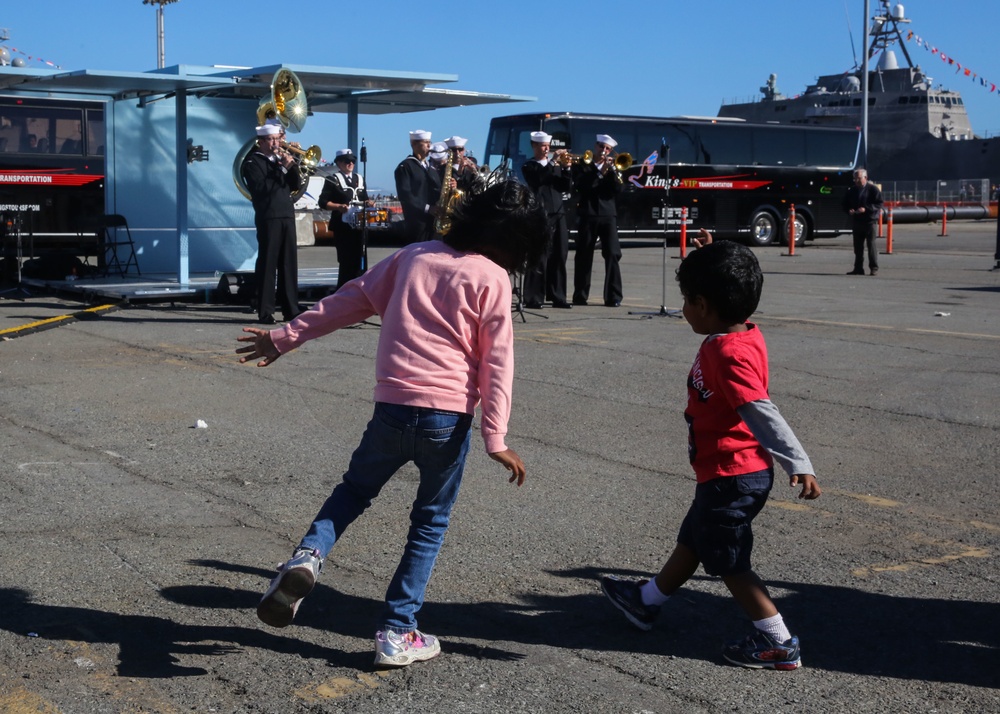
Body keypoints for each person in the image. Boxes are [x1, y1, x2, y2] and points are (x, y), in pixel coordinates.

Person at [237, 180, 548, 668]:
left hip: (392, 407)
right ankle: (398, 632)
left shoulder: (414, 257)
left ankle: (307, 556)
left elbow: (350, 299)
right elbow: (498, 361)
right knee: (429, 522)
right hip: (447, 420)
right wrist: (496, 436)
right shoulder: (493, 278)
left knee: (354, 491)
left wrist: (285, 337)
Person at [601, 230, 822, 671]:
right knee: (694, 538)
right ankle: (646, 600)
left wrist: (797, 460)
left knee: (730, 562)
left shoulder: (729, 354)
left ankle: (777, 641)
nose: (683, 309)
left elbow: (761, 411)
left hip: (734, 474)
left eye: (687, 301)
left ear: (704, 306)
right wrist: (706, 255)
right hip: (722, 472)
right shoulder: (738, 332)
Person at [241, 122, 303, 324]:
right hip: (269, 216)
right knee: (268, 264)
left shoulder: (279, 161)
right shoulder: (252, 162)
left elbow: (296, 184)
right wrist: (281, 170)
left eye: (278, 138)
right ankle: (265, 310)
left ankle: (291, 309)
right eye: (271, 139)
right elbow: (261, 188)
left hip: (286, 214)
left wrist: (292, 165)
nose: (276, 143)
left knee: (288, 263)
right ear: (261, 142)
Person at [521, 131, 573, 309]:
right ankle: (533, 297)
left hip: (558, 212)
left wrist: (566, 169)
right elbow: (539, 179)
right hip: (541, 213)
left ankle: (558, 295)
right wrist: (552, 162)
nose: (546, 149)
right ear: (534, 146)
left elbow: (564, 186)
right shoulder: (530, 165)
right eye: (543, 146)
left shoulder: (554, 165)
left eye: (548, 146)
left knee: (560, 254)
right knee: (539, 255)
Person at [572, 133, 623, 307]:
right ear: (596, 146)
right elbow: (582, 187)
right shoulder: (583, 165)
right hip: (588, 214)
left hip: (608, 214)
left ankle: (613, 296)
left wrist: (613, 172)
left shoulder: (612, 167)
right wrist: (600, 173)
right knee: (584, 255)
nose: (604, 150)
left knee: (613, 254)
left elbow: (617, 189)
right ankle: (580, 295)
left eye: (607, 149)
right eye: (601, 146)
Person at [318, 148, 373, 291]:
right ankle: (344, 291)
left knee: (361, 258)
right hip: (343, 226)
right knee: (346, 261)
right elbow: (323, 202)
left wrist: (368, 203)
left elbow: (364, 198)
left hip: (359, 226)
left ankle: (360, 290)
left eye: (352, 161)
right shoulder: (332, 179)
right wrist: (338, 206)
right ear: (338, 163)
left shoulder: (359, 179)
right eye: (346, 161)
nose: (350, 164)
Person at [394, 130, 442, 244]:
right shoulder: (405, 166)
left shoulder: (431, 168)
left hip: (434, 223)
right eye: (425, 142)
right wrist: (428, 208)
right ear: (414, 144)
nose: (429, 145)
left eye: (429, 142)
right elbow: (405, 195)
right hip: (417, 224)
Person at [841, 168, 884, 276]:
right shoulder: (852, 190)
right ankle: (858, 268)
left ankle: (874, 268)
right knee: (858, 247)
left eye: (859, 178)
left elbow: (879, 204)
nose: (857, 181)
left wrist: (866, 209)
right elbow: (844, 204)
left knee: (871, 245)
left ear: (865, 178)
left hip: (870, 221)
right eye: (855, 178)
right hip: (857, 221)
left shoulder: (873, 189)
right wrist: (849, 210)